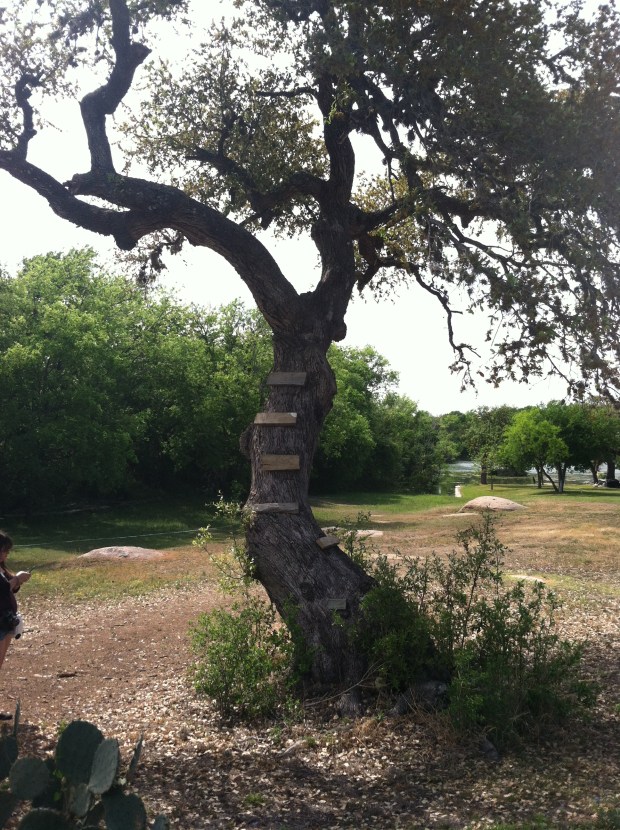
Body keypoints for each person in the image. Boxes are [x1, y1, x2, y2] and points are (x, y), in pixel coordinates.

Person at [0, 530, 31, 720]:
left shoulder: (1, 568)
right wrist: (18, 579)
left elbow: (9, 587)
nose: (6, 554)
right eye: (4, 550)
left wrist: (17, 581)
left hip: (5, 621)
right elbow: (3, 588)